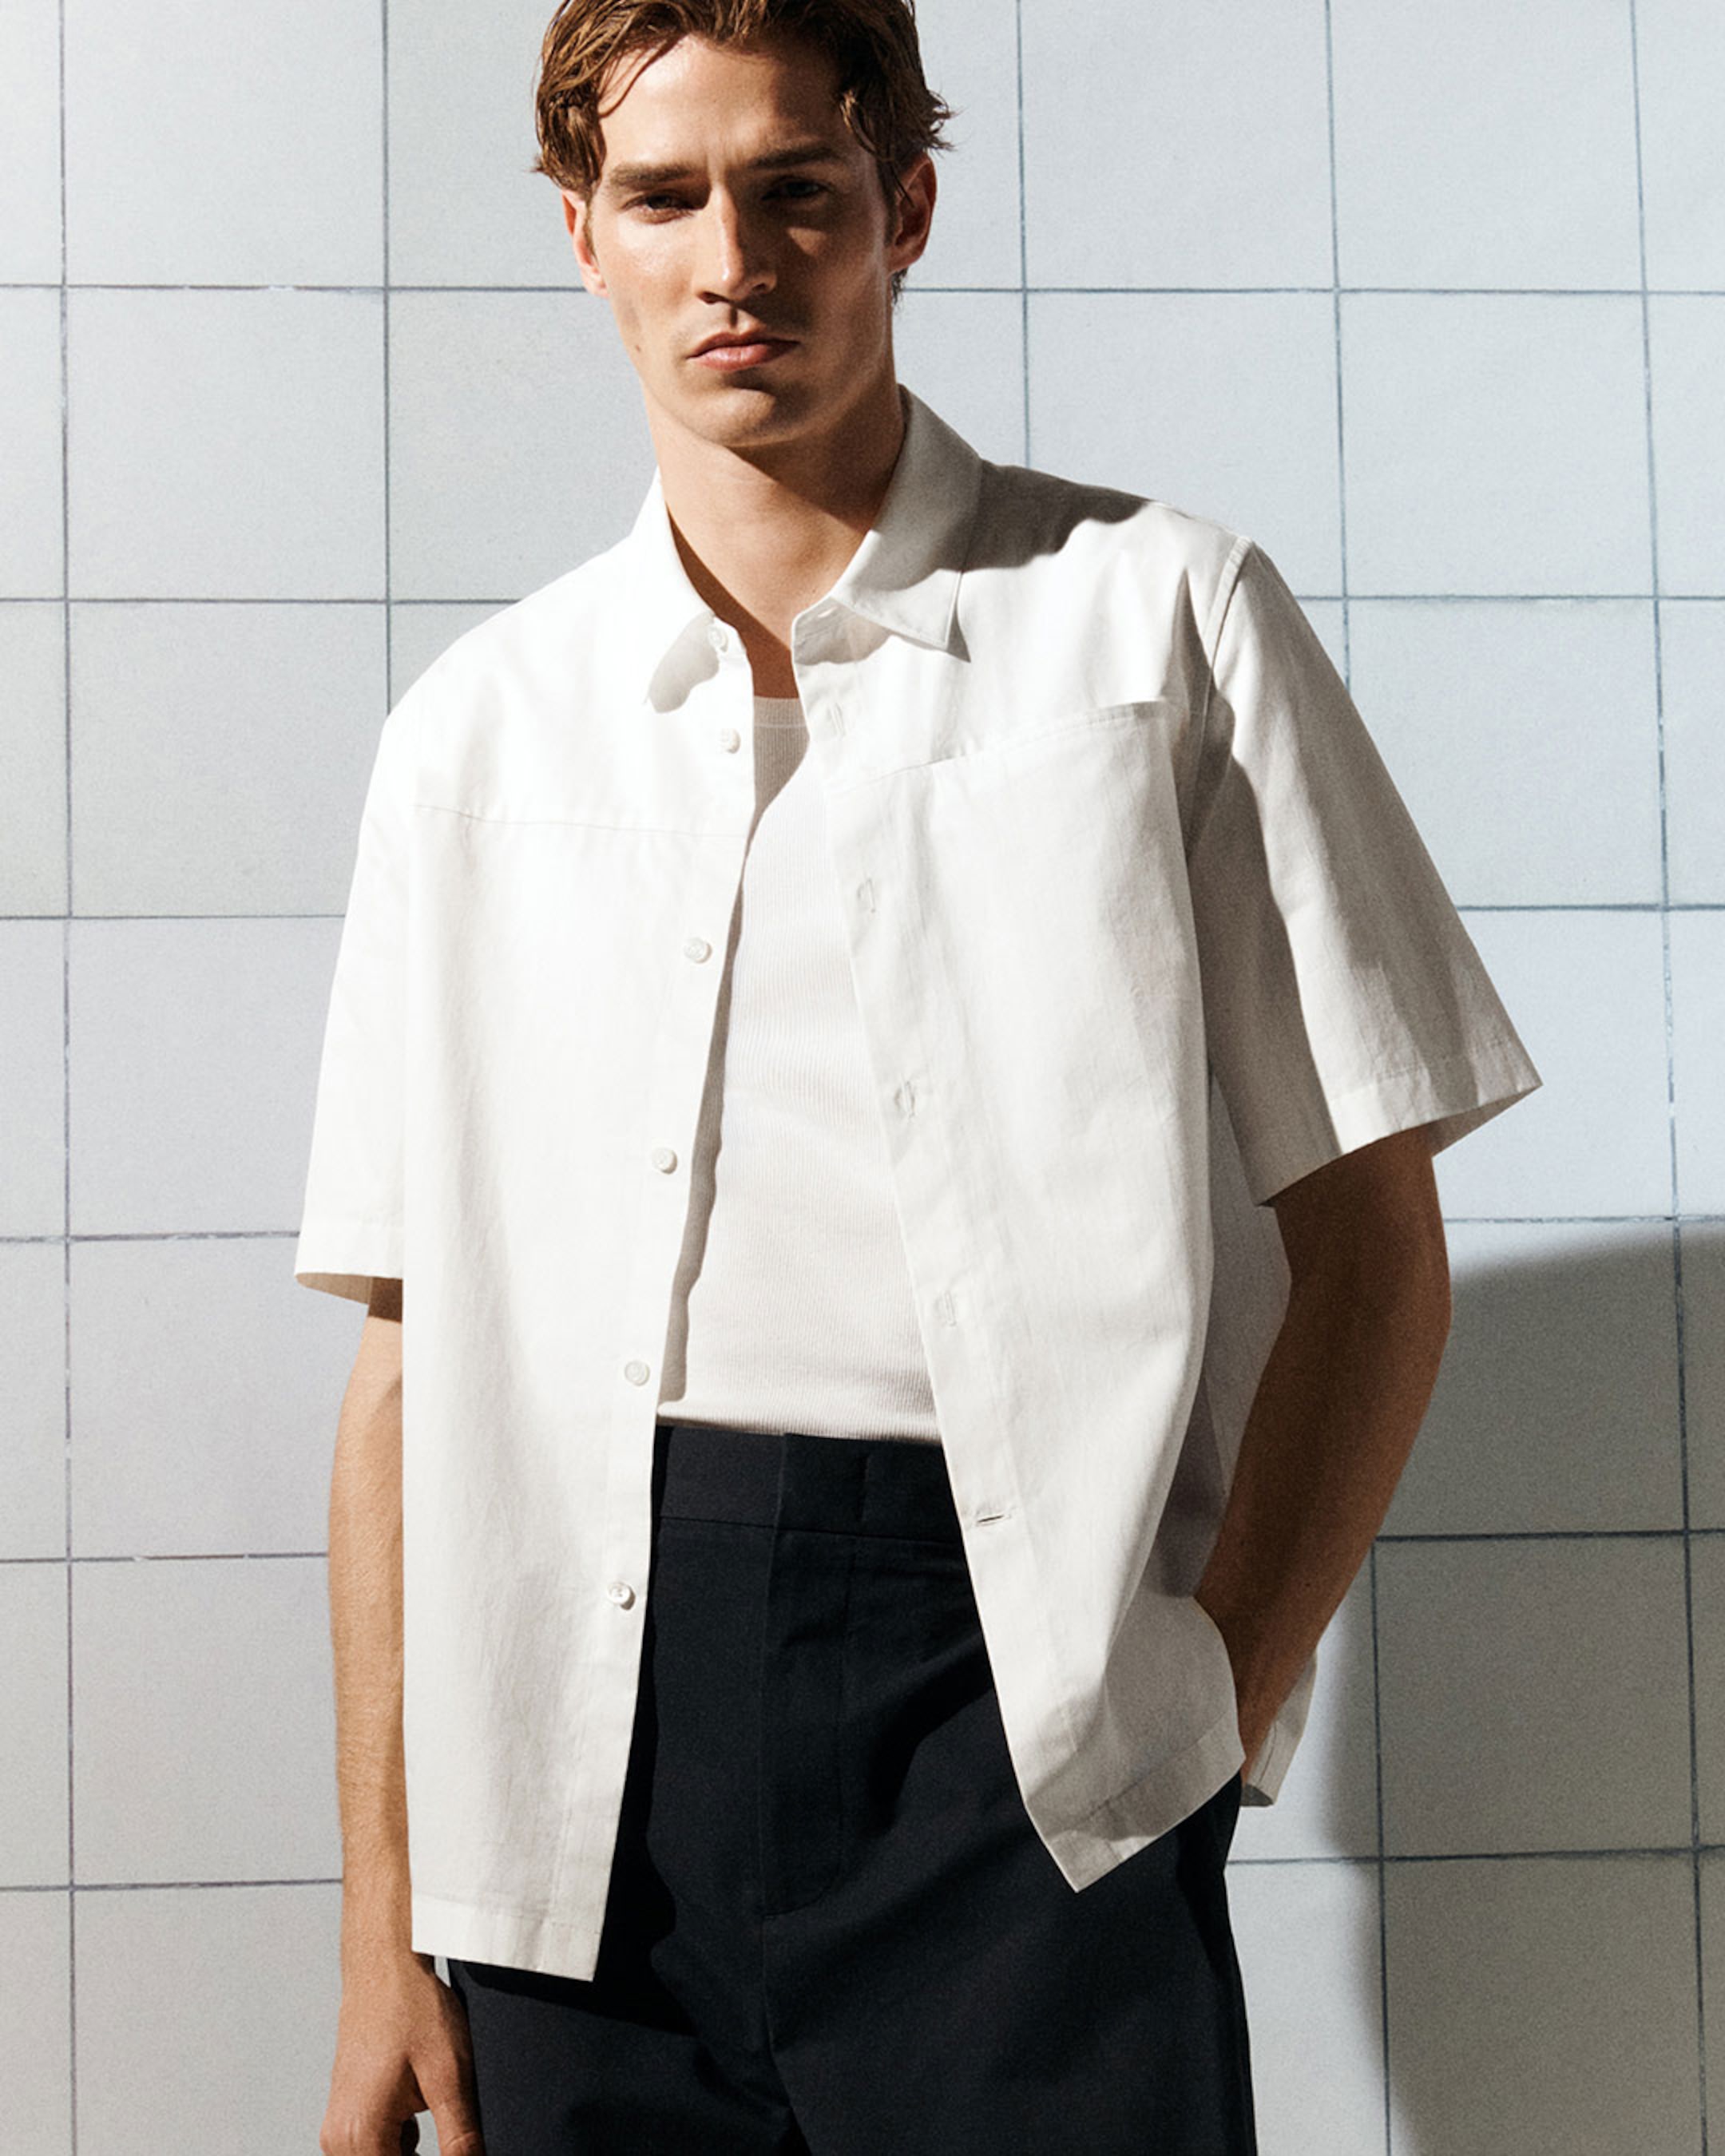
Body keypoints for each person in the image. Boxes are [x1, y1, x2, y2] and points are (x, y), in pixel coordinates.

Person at [299, 2, 1542, 2151]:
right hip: (575, 1775)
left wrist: (1206, 1708)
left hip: (1020, 1739)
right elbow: (408, 1372)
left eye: (797, 190)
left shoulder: (1159, 621)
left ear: (908, 208)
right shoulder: (475, 736)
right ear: (581, 233)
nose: (732, 263)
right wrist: (378, 1924)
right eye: (664, 199)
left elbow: (1374, 1249)